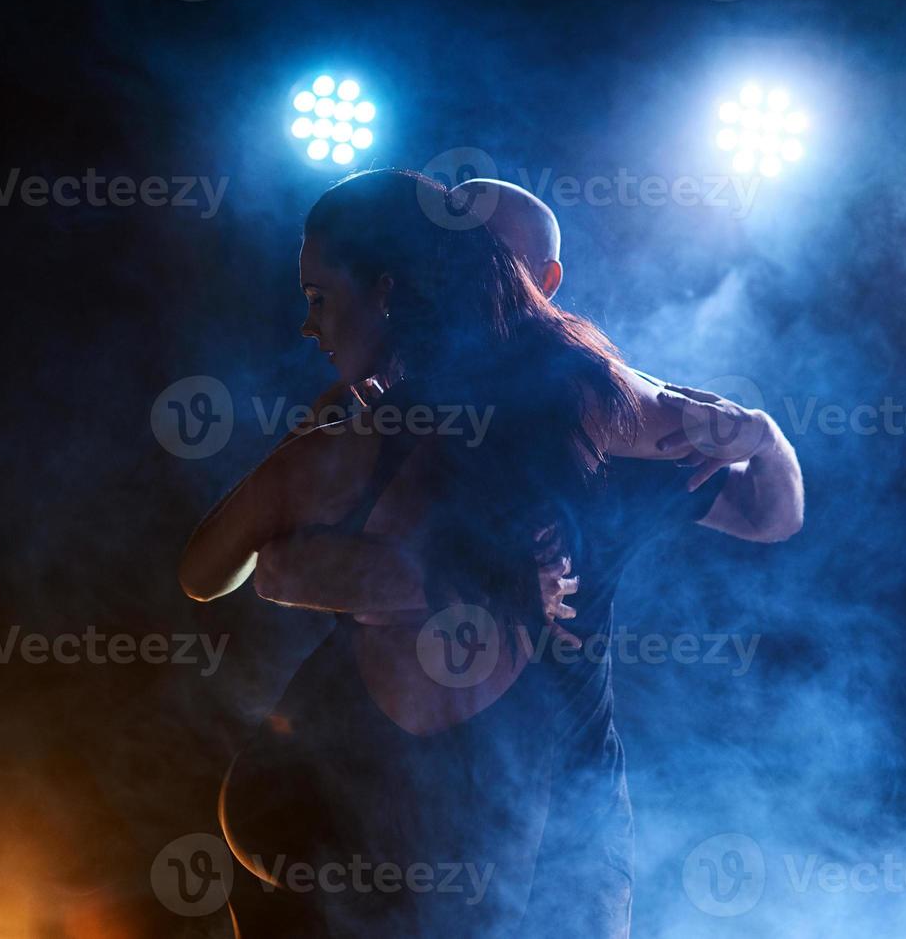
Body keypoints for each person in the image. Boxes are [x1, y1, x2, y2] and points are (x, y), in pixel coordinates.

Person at [181, 169, 802, 936]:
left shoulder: (609, 414)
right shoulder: (377, 424)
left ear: (540, 282)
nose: (470, 278)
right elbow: (246, 570)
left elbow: (770, 515)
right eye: (455, 248)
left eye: (484, 257)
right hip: (364, 800)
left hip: (523, 823)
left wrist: (764, 435)